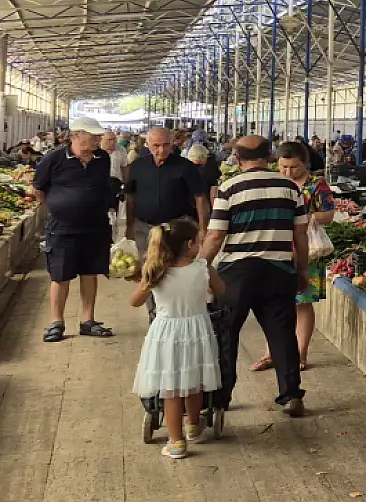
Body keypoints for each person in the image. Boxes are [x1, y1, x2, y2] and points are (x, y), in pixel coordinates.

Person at [200, 136, 309, 417]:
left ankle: (220, 398)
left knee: (226, 332)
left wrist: (200, 267)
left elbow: (215, 235)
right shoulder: (290, 188)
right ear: (270, 157)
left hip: (237, 273)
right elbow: (300, 234)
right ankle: (290, 395)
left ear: (237, 159)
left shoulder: (229, 188)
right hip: (279, 270)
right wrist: (303, 271)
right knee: (282, 333)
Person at [129, 219, 225, 459]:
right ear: (189, 244)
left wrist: (142, 281)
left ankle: (176, 441)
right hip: (197, 330)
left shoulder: (156, 272)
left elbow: (135, 301)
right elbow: (222, 291)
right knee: (195, 381)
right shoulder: (203, 268)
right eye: (199, 241)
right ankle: (193, 425)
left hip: (166, 334)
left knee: (170, 390)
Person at [251, 142, 335, 373]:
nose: (288, 172)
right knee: (272, 304)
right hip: (274, 247)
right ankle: (270, 354)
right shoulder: (273, 182)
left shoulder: (316, 185)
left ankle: (300, 352)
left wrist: (304, 218)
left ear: (304, 163)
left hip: (307, 249)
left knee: (302, 303)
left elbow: (328, 215)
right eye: (283, 167)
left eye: (294, 167)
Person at [33, 117, 116, 342]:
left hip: (95, 227)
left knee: (90, 273)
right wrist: (58, 207)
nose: (99, 139)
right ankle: (56, 322)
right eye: (94, 135)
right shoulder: (54, 159)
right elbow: (39, 189)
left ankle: (88, 321)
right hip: (62, 228)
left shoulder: (103, 159)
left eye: (99, 135)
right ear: (76, 135)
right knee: (60, 276)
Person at [126, 126, 211, 246]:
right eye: (156, 146)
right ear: (147, 145)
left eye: (166, 145)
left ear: (172, 143)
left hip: (171, 228)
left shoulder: (185, 166)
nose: (161, 150)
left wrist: (203, 228)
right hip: (144, 227)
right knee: (145, 261)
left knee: (170, 260)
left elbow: (200, 197)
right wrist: (129, 226)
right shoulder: (137, 166)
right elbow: (130, 197)